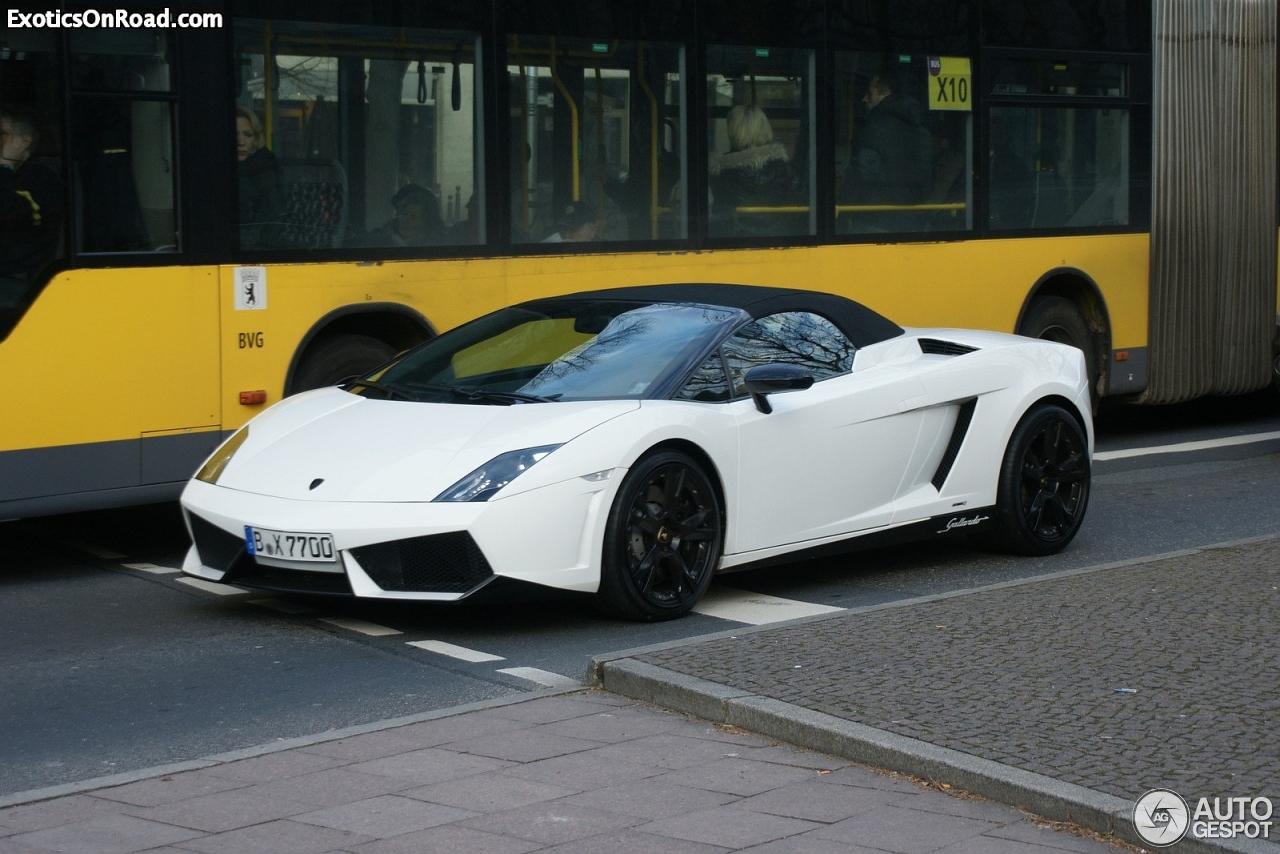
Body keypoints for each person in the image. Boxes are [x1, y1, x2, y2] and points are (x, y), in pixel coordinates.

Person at [841, 65, 933, 232]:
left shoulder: (872, 131)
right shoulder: (922, 132)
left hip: (874, 221)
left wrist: (843, 211)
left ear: (885, 94)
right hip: (913, 223)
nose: (864, 99)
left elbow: (859, 177)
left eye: (869, 94)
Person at [0, 106, 64, 295]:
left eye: (2, 134)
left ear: (23, 142)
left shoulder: (41, 180)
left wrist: (5, 165)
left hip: (16, 278)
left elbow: (6, 212)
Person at [707, 104, 797, 237]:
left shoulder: (720, 170)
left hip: (732, 243)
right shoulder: (782, 167)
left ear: (734, 131)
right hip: (781, 241)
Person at [235, 106, 285, 249]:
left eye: (248, 134)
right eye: (235, 134)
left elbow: (273, 211)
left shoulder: (265, 168)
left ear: (256, 139)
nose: (241, 142)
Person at [362, 183, 447, 247]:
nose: (407, 221)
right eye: (404, 214)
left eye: (414, 218)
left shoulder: (437, 245)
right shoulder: (379, 238)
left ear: (426, 222)